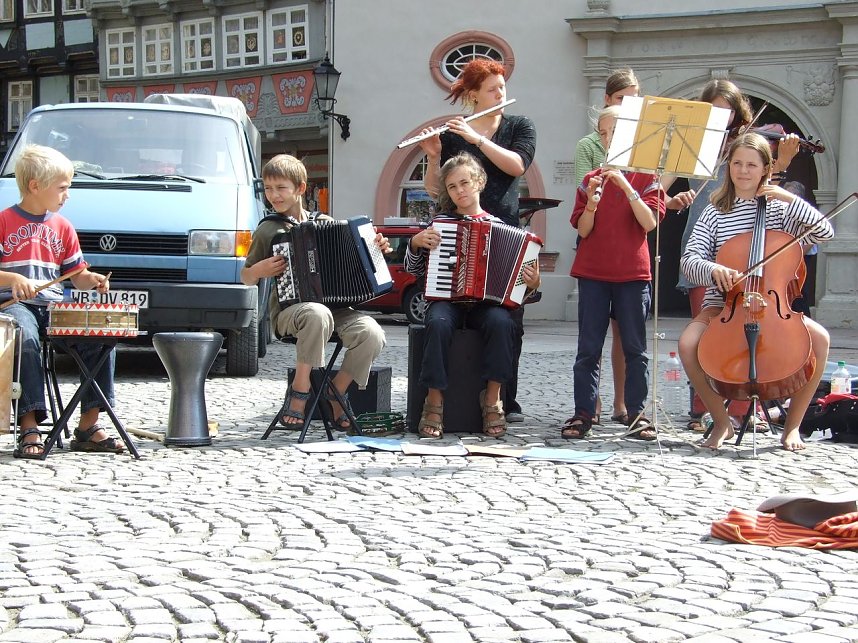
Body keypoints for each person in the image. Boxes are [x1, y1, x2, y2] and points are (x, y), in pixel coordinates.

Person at [678, 133, 833, 452]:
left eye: (751, 164)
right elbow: (689, 261)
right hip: (724, 306)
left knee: (820, 340)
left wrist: (788, 198)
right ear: (728, 167)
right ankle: (721, 422)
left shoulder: (779, 210)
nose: (743, 171)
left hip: (774, 305)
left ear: (765, 168)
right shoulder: (715, 212)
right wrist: (714, 270)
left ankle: (792, 428)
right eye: (737, 163)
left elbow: (824, 232)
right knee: (688, 343)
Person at [668, 79, 800, 433]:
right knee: (708, 330)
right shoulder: (696, 144)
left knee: (748, 334)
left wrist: (782, 162)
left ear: (737, 113)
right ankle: (703, 409)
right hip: (707, 239)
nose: (720, 117)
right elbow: (675, 185)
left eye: (726, 110)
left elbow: (766, 191)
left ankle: (744, 407)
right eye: (713, 110)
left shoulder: (746, 145)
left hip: (750, 253)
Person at [418, 57, 536, 423]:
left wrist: (479, 140)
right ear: (473, 96)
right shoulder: (455, 134)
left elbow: (517, 165)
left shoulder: (519, 125)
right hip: (459, 229)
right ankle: (435, 402)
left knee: (508, 322)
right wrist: (437, 157)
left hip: (503, 229)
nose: (501, 93)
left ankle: (502, 400)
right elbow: (441, 189)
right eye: (492, 89)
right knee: (443, 316)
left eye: (503, 87)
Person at [241, 154, 388, 430]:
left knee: (371, 332)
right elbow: (246, 277)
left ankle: (337, 390)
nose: (273, 195)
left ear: (300, 188)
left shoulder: (326, 222)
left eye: (281, 188)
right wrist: (260, 269)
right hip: (289, 312)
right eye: (268, 189)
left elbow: (356, 265)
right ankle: (300, 391)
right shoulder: (268, 230)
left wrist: (376, 250)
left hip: (335, 309)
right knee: (316, 314)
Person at [405, 152, 540, 439]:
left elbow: (519, 290)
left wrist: (532, 283)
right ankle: (434, 400)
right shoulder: (439, 224)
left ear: (479, 182)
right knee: (438, 322)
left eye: (464, 183)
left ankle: (492, 398)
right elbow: (416, 271)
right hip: (446, 298)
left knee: (503, 322)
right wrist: (415, 244)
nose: (459, 191)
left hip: (484, 303)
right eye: (452, 187)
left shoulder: (501, 227)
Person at [1, 144, 122, 458]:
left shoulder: (63, 226)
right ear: (35, 186)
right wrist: (13, 279)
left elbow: (76, 274)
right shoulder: (3, 221)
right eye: (63, 188)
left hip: (54, 305)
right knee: (23, 338)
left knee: (101, 332)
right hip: (14, 306)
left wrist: (90, 280)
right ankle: (28, 424)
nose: (67, 195)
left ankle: (89, 424)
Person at [562, 106, 666, 441]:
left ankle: (637, 413)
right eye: (604, 132)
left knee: (635, 348)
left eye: (615, 131)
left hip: (633, 274)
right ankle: (583, 412)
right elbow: (583, 227)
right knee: (588, 348)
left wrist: (626, 186)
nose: (608, 138)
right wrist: (591, 203)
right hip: (593, 272)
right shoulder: (591, 178)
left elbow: (649, 222)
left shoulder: (648, 178)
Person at [573, 68, 640, 426]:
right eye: (623, 99)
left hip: (629, 240)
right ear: (609, 101)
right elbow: (582, 192)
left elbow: (650, 198)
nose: (630, 106)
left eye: (636, 99)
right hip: (596, 232)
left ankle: (623, 403)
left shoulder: (644, 144)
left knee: (627, 334)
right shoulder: (590, 144)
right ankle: (589, 403)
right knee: (593, 333)